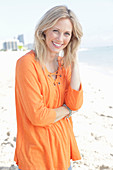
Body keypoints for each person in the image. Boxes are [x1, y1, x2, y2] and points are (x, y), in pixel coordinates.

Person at [14, 5, 83, 170]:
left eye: (67, 34)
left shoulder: (65, 65)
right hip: (36, 156)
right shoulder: (27, 64)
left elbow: (75, 103)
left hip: (63, 151)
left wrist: (74, 60)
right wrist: (66, 111)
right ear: (44, 30)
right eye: (55, 31)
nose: (60, 38)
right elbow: (38, 116)